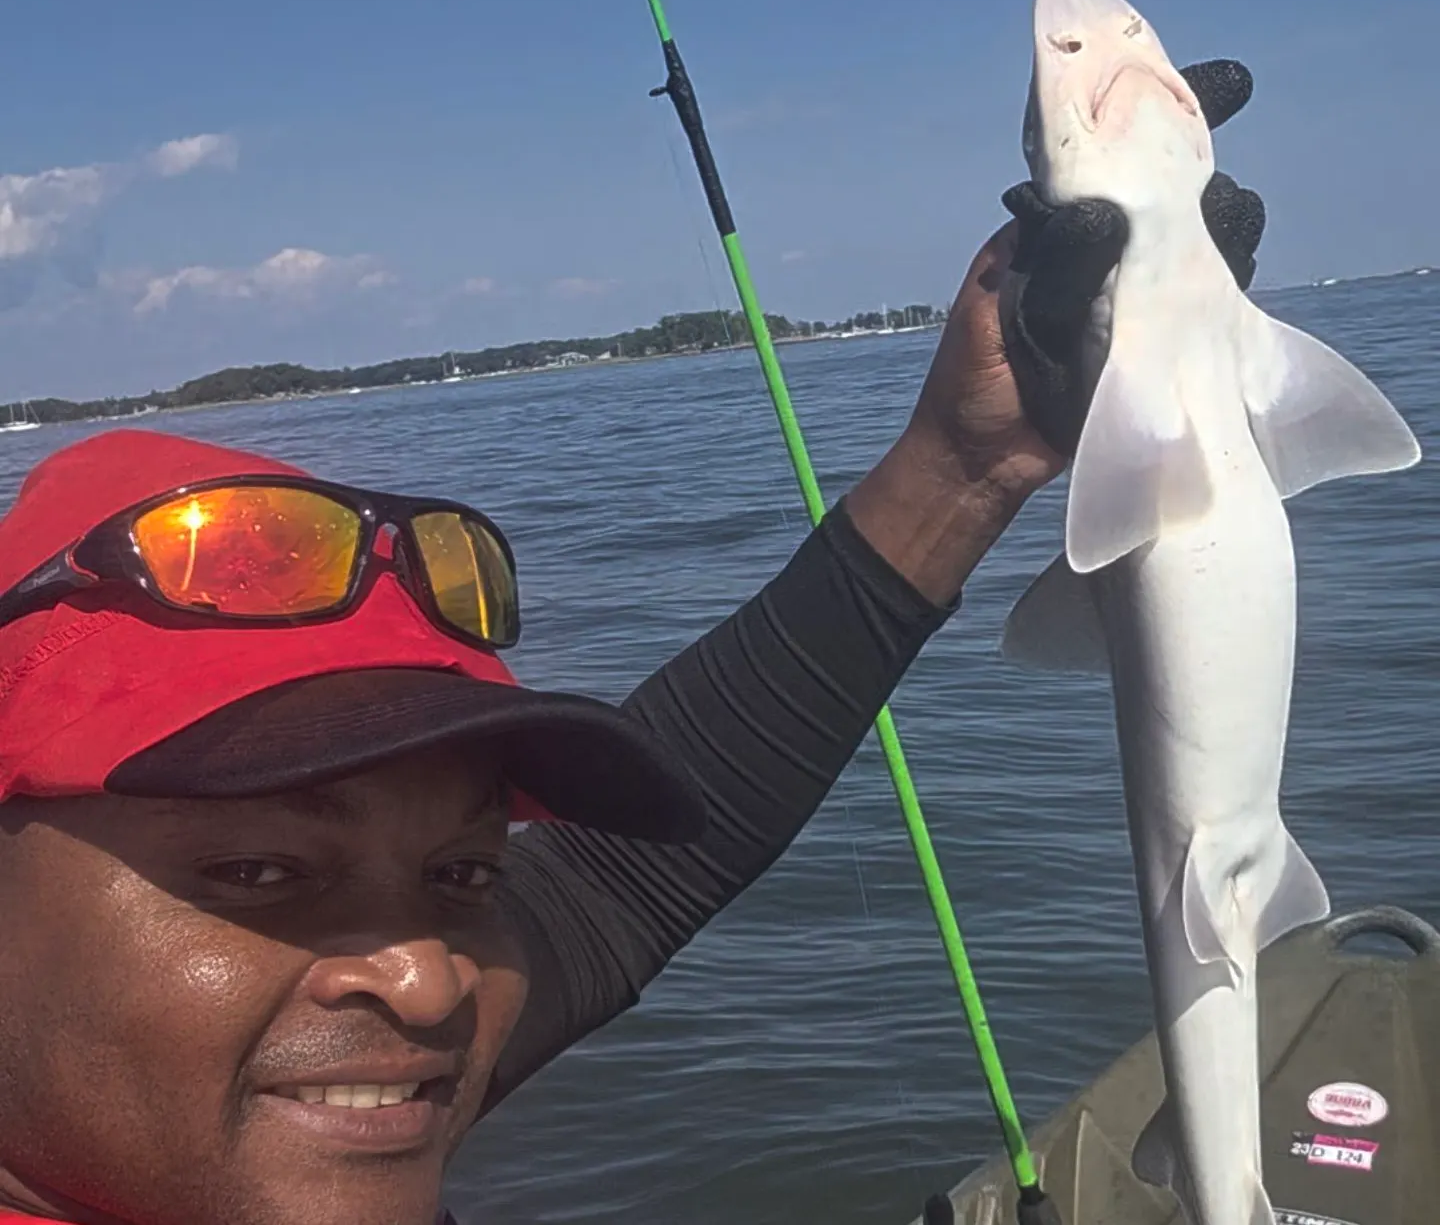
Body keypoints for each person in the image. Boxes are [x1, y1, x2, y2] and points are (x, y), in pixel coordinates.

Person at [0, 63, 1264, 1225]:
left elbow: (621, 877)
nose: (430, 987)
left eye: (465, 877)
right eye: (259, 874)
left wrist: (973, 459)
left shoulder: (267, 1119)